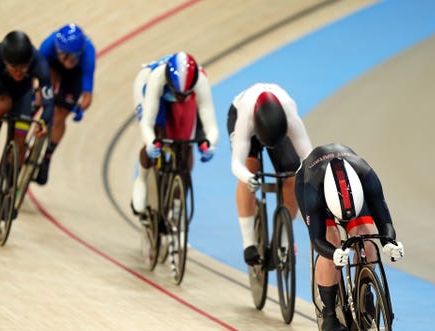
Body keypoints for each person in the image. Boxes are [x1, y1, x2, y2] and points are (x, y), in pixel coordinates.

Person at [295, 143, 404, 331]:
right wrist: (334, 253)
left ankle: (366, 291)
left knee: (367, 236)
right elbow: (317, 239)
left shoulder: (366, 176)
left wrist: (390, 243)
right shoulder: (313, 188)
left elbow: (384, 220)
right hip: (314, 188)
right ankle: (329, 314)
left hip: (351, 197)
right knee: (332, 240)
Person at [228, 83, 312, 266]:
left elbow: (308, 156)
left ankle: (282, 239)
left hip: (276, 127)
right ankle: (249, 242)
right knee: (250, 166)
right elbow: (236, 163)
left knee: (292, 174)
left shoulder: (290, 114)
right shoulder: (245, 119)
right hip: (242, 114)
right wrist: (248, 178)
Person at [130, 51, 219, 217]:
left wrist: (209, 143)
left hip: (175, 93)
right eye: (178, 93)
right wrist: (151, 142)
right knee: (157, 134)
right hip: (150, 90)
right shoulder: (156, 78)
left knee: (186, 144)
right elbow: (147, 124)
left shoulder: (200, 80)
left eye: (184, 94)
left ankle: (177, 200)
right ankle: (141, 181)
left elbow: (210, 122)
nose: (180, 97)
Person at [0, 30, 53, 170]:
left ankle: (7, 180)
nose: (19, 72)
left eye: (23, 67)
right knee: (2, 105)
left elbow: (49, 102)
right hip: (0, 86)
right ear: (5, 62)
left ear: (30, 61)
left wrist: (43, 122)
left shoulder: (40, 65)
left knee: (20, 141)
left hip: (23, 92)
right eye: (14, 67)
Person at [37, 23, 96, 185]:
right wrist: (36, 93)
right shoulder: (49, 44)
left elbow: (87, 96)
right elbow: (34, 71)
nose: (68, 60)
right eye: (63, 55)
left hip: (75, 75)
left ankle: (47, 157)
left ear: (79, 53)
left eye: (72, 57)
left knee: (59, 116)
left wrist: (79, 107)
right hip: (52, 66)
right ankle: (30, 115)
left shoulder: (88, 54)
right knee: (40, 93)